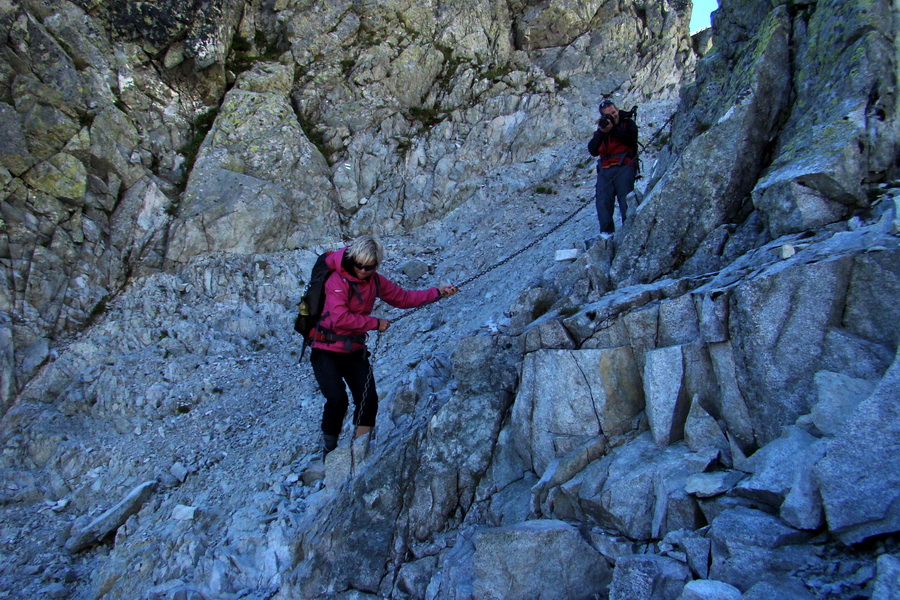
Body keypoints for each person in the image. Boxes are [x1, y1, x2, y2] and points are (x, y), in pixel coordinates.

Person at [310, 235, 458, 456]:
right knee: (337, 399)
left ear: (375, 265)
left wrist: (437, 293)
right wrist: (374, 323)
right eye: (358, 265)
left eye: (368, 267)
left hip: (353, 350)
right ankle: (329, 450)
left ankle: (359, 451)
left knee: (368, 400)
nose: (361, 271)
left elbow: (404, 298)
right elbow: (339, 318)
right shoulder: (337, 280)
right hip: (325, 350)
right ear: (352, 259)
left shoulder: (375, 281)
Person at [587, 99, 638, 238]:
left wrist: (613, 129)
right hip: (605, 170)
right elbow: (593, 150)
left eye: (614, 112)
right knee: (602, 201)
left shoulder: (627, 123)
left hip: (624, 166)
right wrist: (603, 131)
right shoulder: (602, 131)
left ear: (617, 110)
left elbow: (631, 140)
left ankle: (629, 231)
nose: (612, 116)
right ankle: (606, 233)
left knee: (625, 199)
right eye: (608, 115)